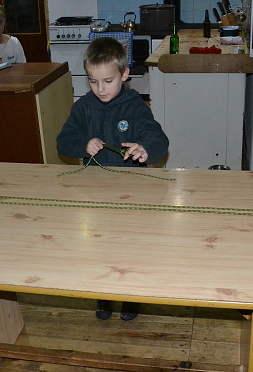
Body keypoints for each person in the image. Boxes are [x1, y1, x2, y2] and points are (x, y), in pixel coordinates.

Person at [57, 37, 169, 320]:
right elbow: (63, 141)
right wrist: (83, 144)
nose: (100, 89)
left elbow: (159, 139)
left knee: (130, 248)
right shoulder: (83, 108)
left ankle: (130, 299)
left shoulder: (135, 107)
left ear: (124, 74)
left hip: (133, 197)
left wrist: (146, 149)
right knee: (99, 248)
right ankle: (104, 297)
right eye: (93, 81)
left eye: (108, 81)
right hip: (95, 195)